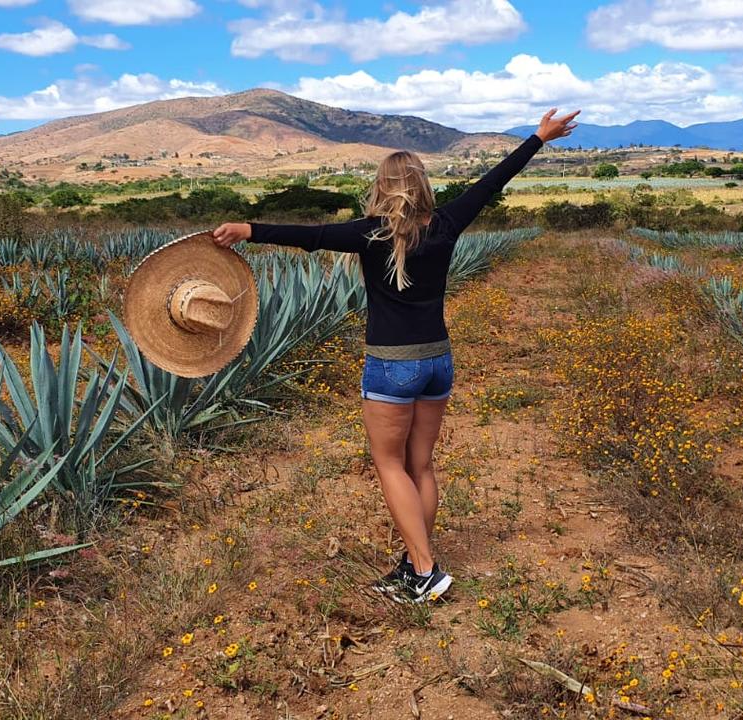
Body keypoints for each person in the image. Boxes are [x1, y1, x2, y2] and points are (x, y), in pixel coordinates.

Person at [212, 108, 580, 603]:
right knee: (420, 465)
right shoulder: (447, 222)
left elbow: (312, 237)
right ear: (423, 184)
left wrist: (247, 229)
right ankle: (413, 565)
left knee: (389, 464)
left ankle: (425, 571)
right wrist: (538, 137)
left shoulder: (370, 233)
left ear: (382, 187)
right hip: (437, 361)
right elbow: (491, 183)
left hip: (391, 364)